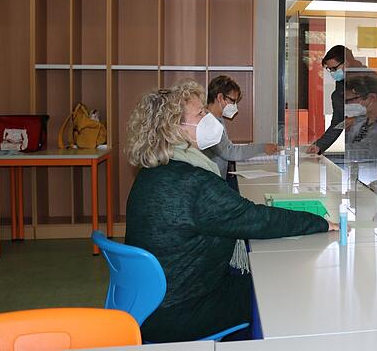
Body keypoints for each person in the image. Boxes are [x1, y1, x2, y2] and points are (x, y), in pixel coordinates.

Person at [124, 80, 337, 343]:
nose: (208, 118)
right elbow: (257, 220)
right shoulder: (195, 183)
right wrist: (319, 222)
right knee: (276, 282)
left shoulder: (152, 173)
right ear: (174, 128)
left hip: (151, 302)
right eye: (200, 113)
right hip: (181, 312)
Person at [204, 75, 278, 190]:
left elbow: (227, 147)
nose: (235, 106)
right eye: (232, 101)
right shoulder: (208, 122)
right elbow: (229, 152)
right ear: (219, 97)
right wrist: (262, 148)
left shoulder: (217, 119)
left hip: (218, 179)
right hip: (211, 184)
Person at [306, 45, 365, 155]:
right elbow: (338, 122)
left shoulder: (369, 80)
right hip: (356, 149)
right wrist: (319, 145)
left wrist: (356, 120)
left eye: (334, 68)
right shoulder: (339, 93)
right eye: (329, 69)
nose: (332, 73)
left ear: (347, 63)